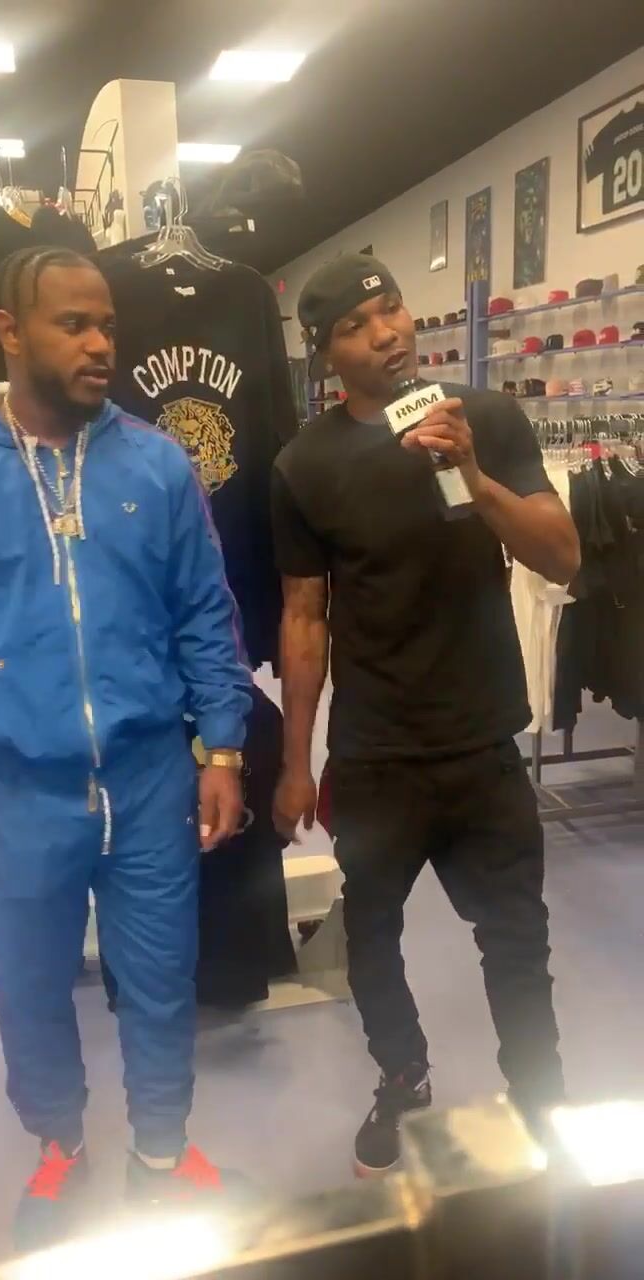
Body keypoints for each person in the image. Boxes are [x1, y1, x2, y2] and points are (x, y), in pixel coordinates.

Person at [0, 246, 252, 1249]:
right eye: (72, 324)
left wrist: (224, 748)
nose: (101, 343)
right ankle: (59, 1143)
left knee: (161, 975)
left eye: (106, 322)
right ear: (10, 331)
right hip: (15, 783)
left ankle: (161, 1150)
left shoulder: (156, 463)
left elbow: (205, 613)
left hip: (149, 773)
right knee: (28, 981)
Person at [271, 254, 580, 1177]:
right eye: (358, 326)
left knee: (517, 938)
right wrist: (295, 760)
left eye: (394, 309)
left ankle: (540, 1100)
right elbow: (303, 617)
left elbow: (561, 556)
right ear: (327, 352)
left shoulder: (485, 419)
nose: (388, 333)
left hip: (484, 740)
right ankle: (401, 1074)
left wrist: (473, 475)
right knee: (372, 936)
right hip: (376, 753)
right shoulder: (304, 465)